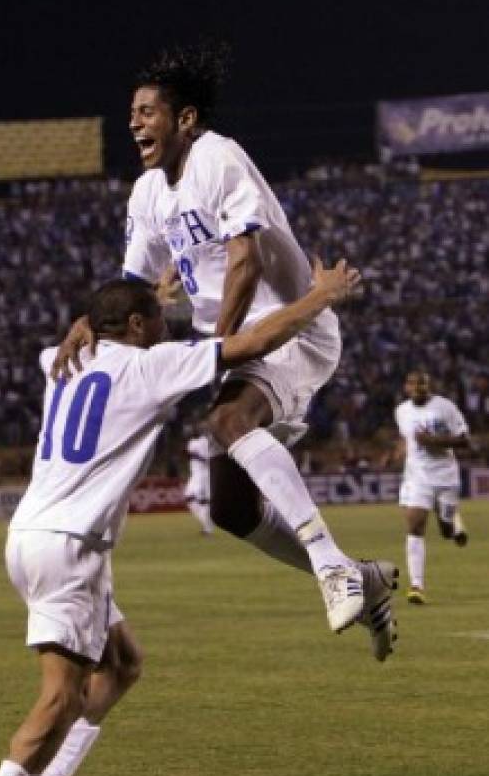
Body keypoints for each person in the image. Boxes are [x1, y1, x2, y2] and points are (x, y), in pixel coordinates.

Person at [0, 265, 360, 776]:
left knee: (121, 662)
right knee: (61, 697)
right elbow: (253, 343)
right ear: (137, 325)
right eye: (159, 322)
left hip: (34, 534)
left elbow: (90, 326)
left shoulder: (59, 360)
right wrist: (319, 298)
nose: (166, 333)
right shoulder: (147, 367)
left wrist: (95, 319)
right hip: (71, 544)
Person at [54, 42, 397, 661]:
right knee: (233, 507)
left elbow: (246, 260)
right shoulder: (147, 195)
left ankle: (331, 566)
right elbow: (134, 285)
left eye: (147, 111)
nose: (134, 121)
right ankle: (361, 576)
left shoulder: (219, 159)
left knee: (228, 417)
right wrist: (87, 318)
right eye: (131, 112)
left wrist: (216, 352)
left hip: (289, 327)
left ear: (185, 119)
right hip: (236, 341)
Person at [394, 370, 470, 604]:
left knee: (446, 531)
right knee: (415, 526)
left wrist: (434, 442)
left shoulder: (445, 408)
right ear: (407, 388)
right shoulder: (402, 411)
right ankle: (417, 586)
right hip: (417, 478)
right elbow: (406, 438)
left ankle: (452, 520)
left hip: (445, 476)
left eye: (423, 388)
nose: (418, 391)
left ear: (429, 387)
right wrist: (397, 452)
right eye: (414, 387)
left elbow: (464, 440)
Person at [184, 424, 214, 535]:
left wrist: (194, 455)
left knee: (201, 501)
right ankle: (208, 524)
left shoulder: (204, 442)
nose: (191, 432)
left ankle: (208, 527)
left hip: (203, 475)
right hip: (195, 475)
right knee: (190, 499)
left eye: (193, 430)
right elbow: (191, 456)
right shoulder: (191, 442)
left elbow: (207, 459)